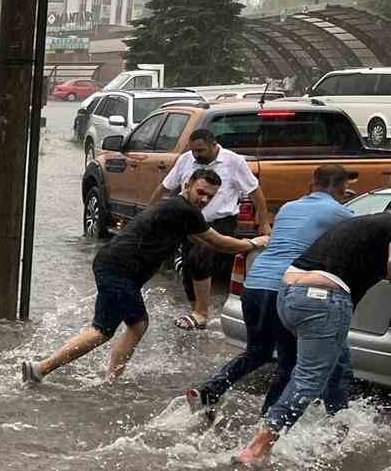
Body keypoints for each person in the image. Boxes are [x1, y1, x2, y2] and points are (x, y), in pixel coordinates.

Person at [21, 170, 266, 384]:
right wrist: (255, 242)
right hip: (118, 269)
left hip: (114, 266)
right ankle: (42, 368)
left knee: (133, 325)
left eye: (210, 197)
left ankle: (109, 379)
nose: (204, 199)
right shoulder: (183, 209)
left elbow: (198, 239)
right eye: (201, 192)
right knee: (103, 331)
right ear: (187, 184)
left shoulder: (177, 209)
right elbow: (219, 242)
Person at [186, 163, 355, 417]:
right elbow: (361, 230)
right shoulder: (338, 212)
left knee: (258, 351)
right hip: (283, 289)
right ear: (340, 188)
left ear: (312, 184)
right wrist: (340, 203)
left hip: (254, 286)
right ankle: (268, 423)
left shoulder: (289, 207)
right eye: (344, 188)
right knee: (289, 364)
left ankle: (210, 390)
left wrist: (336, 200)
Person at [235, 213, 391, 465]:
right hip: (324, 299)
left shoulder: (369, 223)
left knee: (339, 364)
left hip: (289, 294)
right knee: (310, 376)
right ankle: (256, 449)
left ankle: (337, 430)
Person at [158, 128, 269, 329]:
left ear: (213, 144)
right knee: (188, 264)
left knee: (200, 257)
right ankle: (196, 311)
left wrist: (263, 222)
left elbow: (254, 191)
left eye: (200, 150)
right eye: (193, 151)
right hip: (190, 221)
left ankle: (202, 312)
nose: (196, 155)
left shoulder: (233, 161)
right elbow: (165, 186)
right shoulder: (185, 160)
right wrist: (150, 212)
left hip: (221, 221)